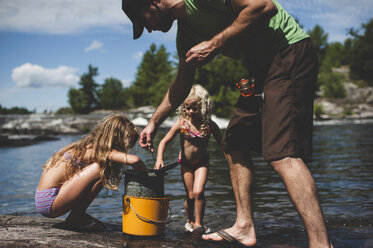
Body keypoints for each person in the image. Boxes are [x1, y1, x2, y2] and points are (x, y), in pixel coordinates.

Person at [122, 0, 333, 247]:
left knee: (281, 153)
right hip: (260, 69)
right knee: (234, 141)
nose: (148, 29)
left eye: (143, 20)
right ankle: (245, 226)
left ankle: (320, 243)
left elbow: (264, 6)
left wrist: (214, 43)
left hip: (287, 52)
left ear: (153, 2)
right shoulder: (186, 34)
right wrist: (153, 123)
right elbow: (182, 82)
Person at [35, 114, 149, 232]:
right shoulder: (102, 152)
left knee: (101, 172)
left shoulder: (89, 146)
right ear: (118, 140)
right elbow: (135, 160)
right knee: (100, 167)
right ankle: (75, 218)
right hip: (50, 201)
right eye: (127, 145)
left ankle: (76, 216)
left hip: (47, 199)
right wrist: (148, 177)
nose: (126, 149)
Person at [155, 84, 222, 233]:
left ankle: (199, 223)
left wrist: (232, 161)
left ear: (203, 106)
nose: (190, 111)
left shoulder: (208, 125)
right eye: (187, 108)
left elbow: (223, 144)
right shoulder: (182, 123)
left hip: (202, 163)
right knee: (190, 195)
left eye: (194, 108)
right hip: (185, 163)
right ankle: (189, 220)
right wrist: (159, 158)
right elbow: (164, 141)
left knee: (199, 192)